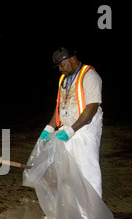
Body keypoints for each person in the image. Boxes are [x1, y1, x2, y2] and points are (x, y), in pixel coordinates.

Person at [40, 47, 104, 198]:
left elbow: (92, 108)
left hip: (85, 130)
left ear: (72, 59)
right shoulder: (64, 78)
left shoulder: (90, 76)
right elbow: (60, 107)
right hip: (67, 129)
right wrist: (49, 128)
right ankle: (68, 212)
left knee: (87, 171)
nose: (60, 69)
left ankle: (92, 216)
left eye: (62, 65)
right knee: (65, 171)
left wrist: (71, 130)